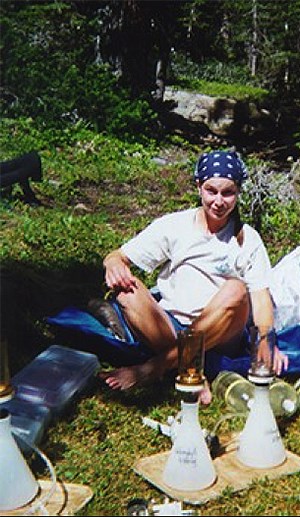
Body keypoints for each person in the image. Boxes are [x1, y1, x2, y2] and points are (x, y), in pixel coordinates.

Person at [97, 149, 288, 403]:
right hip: (170, 326)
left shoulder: (248, 239)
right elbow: (119, 255)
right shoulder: (175, 226)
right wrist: (113, 264)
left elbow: (261, 297)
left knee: (236, 289)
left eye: (228, 192)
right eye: (212, 191)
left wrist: (266, 341)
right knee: (126, 291)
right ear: (199, 187)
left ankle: (155, 367)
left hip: (221, 332)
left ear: (238, 192)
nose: (219, 201)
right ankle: (190, 367)